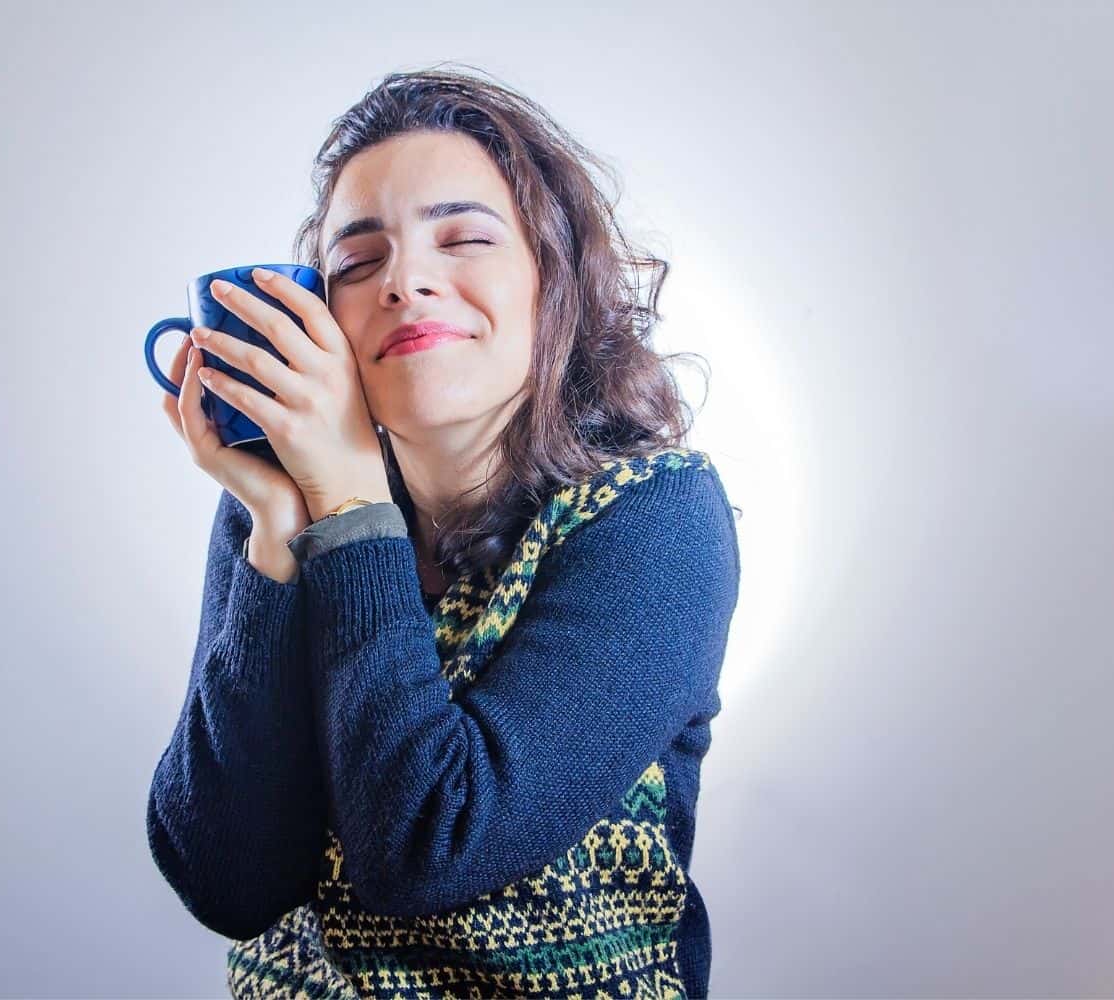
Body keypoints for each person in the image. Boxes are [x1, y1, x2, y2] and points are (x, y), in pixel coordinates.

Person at [147, 64, 742, 999]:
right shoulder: (286, 504)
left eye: (462, 238)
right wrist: (273, 530)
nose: (407, 282)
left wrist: (348, 507)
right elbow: (227, 879)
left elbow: (426, 848)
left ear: (554, 280)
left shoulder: (655, 518)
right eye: (357, 262)